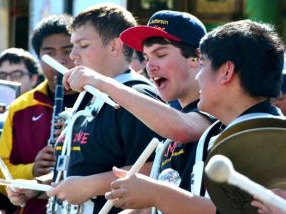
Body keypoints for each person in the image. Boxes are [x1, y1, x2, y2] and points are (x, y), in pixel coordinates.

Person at [104, 19, 284, 213]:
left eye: (203, 64)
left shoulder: (270, 140)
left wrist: (156, 194)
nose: (198, 76)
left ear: (226, 71)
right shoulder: (216, 133)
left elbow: (225, 210)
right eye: (146, 57)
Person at [55, 10, 214, 213]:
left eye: (161, 54)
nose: (150, 67)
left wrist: (103, 83)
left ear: (196, 57)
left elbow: (183, 128)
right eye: (146, 57)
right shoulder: (170, 122)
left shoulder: (211, 113)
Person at [46, 3, 163, 213]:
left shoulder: (137, 97)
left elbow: (153, 167)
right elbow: (81, 167)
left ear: (115, 46)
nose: (73, 54)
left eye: (82, 45)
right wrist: (38, 187)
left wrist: (89, 186)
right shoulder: (88, 95)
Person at [0, 14, 87, 214]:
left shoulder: (99, 101)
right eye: (49, 53)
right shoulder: (20, 107)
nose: (60, 60)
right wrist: (33, 170)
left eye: (68, 50)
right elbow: (0, 172)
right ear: (39, 57)